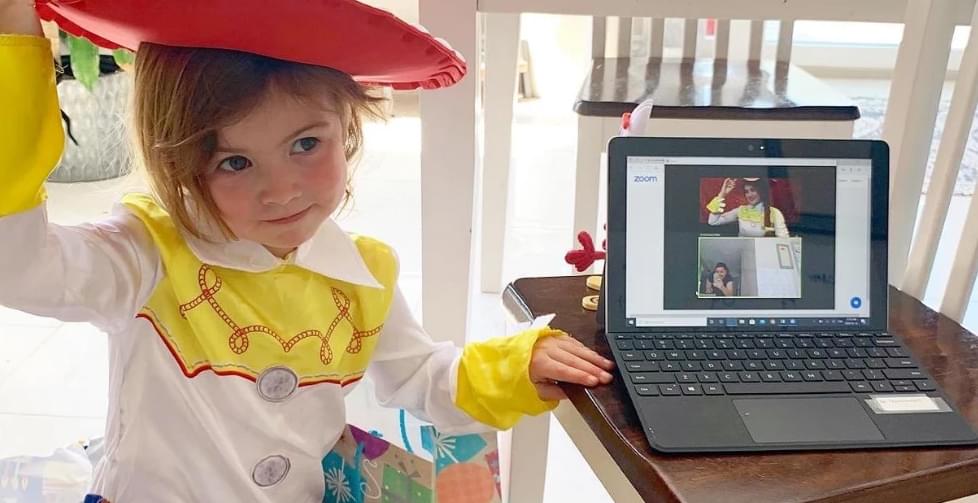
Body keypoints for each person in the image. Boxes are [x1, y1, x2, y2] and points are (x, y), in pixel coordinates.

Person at [0, 2, 615, 501]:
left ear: (348, 126)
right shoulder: (143, 255)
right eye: (235, 162)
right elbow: (19, 267)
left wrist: (514, 364)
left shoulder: (364, 274)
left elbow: (422, 377)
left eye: (305, 144)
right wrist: (13, 35)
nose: (282, 191)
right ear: (179, 162)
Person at [706, 177, 789, 237]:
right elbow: (713, 221)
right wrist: (722, 194)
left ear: (761, 191)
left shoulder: (775, 213)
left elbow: (784, 240)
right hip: (743, 252)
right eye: (746, 192)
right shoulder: (741, 210)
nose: (749, 195)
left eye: (753, 190)